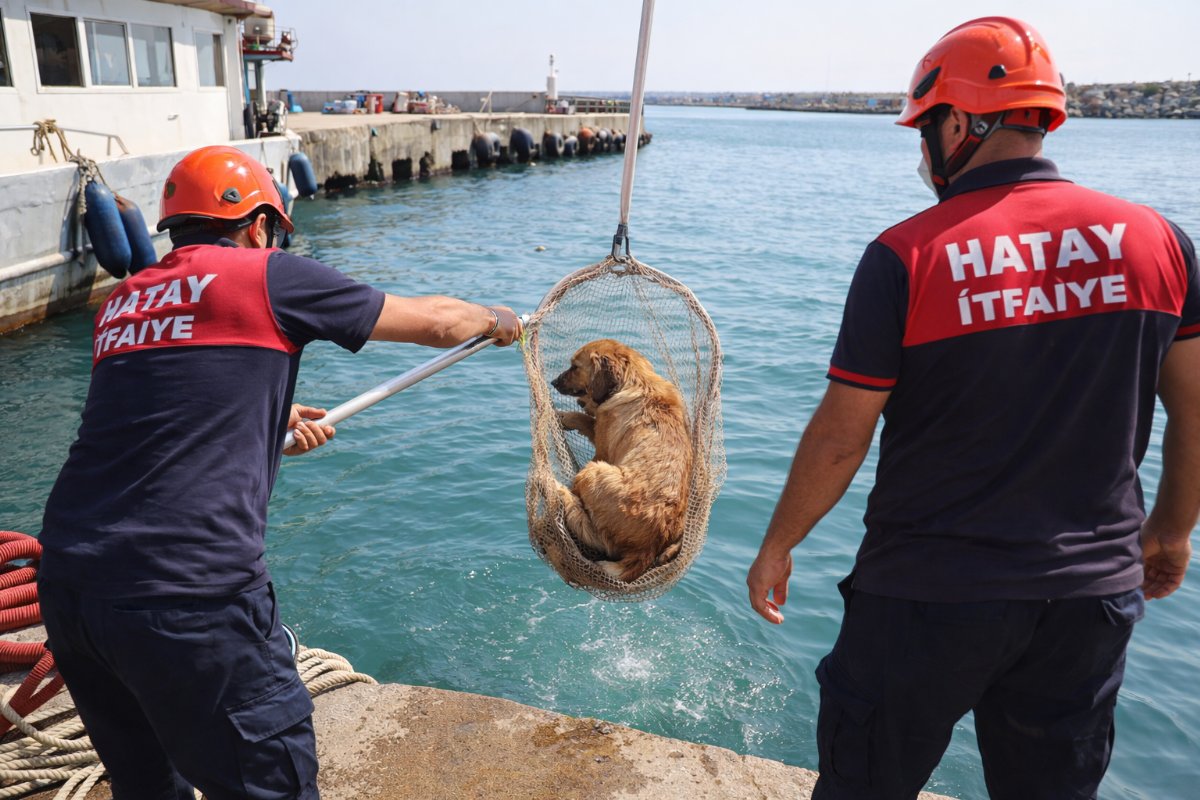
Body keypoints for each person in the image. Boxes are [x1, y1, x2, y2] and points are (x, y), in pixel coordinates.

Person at [746, 16, 1199, 800]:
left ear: (959, 124)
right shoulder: (1159, 241)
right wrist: (1173, 529)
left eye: (923, 129)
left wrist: (779, 543)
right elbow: (1196, 410)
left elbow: (841, 436)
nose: (921, 154)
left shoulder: (905, 255)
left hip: (927, 594)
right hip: (1088, 600)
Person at [37, 145, 523, 800]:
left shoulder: (123, 302)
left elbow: (156, 416)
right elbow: (436, 322)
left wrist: (272, 419)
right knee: (273, 785)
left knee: (149, 787)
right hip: (190, 595)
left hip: (71, 588)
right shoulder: (270, 275)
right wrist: (499, 321)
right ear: (261, 225)